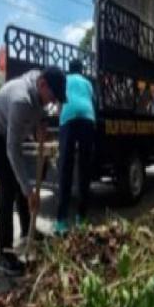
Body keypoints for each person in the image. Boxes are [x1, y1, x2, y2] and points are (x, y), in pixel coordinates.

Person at [0, 67, 67, 276]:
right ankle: (5, 253)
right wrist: (29, 192)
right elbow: (12, 150)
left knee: (21, 181)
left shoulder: (38, 82)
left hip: (10, 130)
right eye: (52, 97)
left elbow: (39, 110)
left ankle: (29, 230)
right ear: (43, 85)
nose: (52, 103)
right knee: (8, 188)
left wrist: (40, 125)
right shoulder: (21, 100)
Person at [54, 60, 96, 235]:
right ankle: (82, 218)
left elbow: (59, 105)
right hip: (87, 117)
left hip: (69, 118)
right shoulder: (87, 82)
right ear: (82, 70)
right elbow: (91, 100)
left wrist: (60, 121)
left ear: (69, 70)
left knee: (66, 167)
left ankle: (62, 222)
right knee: (84, 169)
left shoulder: (64, 79)